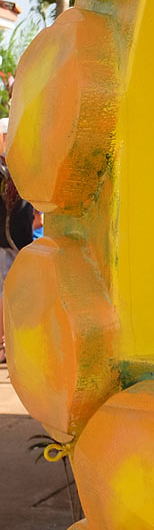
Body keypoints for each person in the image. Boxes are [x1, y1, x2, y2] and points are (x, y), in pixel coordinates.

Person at [0, 116, 35, 366]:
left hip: (19, 242)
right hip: (7, 243)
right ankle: (5, 344)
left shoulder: (23, 167)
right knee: (7, 294)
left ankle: (12, 345)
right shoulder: (7, 169)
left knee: (17, 295)